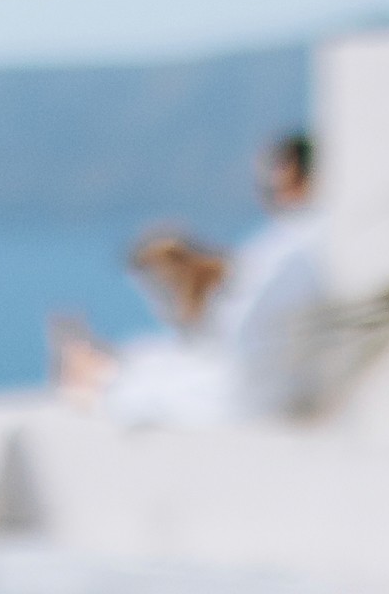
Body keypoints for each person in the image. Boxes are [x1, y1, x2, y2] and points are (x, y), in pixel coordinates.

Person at [45, 130, 333, 425]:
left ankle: (94, 371)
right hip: (258, 380)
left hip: (249, 395)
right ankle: (98, 368)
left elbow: (242, 360)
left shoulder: (291, 249)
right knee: (148, 363)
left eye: (273, 184)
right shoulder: (306, 243)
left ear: (295, 178)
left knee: (140, 382)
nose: (269, 195)